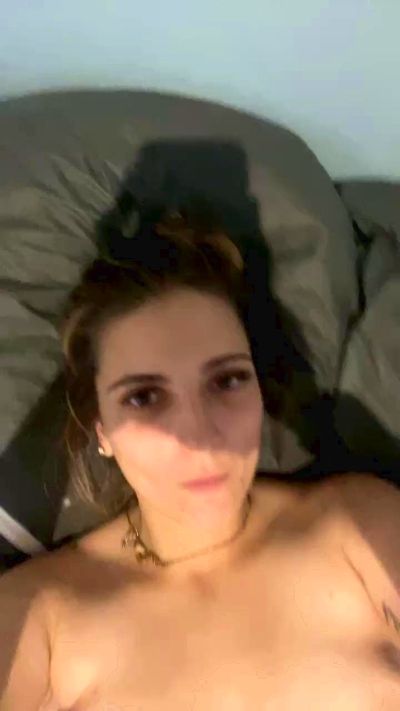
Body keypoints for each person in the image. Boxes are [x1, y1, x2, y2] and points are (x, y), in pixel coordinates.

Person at [1, 202, 400, 710]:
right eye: (144, 397)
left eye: (227, 380)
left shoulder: (355, 521)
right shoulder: (43, 611)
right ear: (101, 430)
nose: (200, 437)